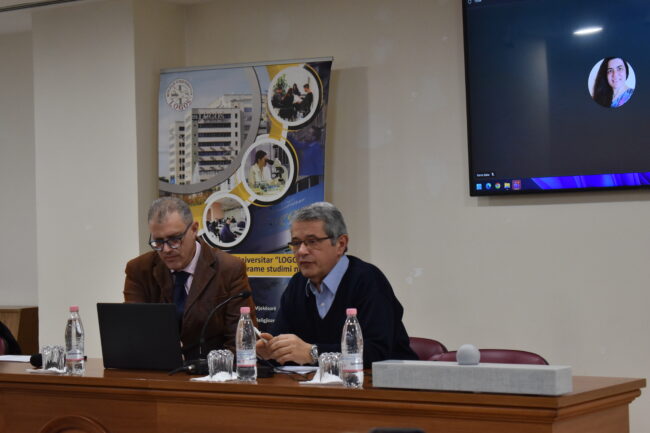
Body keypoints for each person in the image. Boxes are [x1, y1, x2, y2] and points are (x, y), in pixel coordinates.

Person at [256, 202, 417, 367]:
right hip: (316, 381)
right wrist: (269, 352)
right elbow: (283, 344)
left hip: (386, 381)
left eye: (312, 241)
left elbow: (377, 351)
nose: (302, 251)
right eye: (296, 243)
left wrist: (313, 353)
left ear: (341, 244)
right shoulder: (298, 284)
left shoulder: (368, 280)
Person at [124, 197, 256, 359]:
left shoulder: (229, 269)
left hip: (214, 370)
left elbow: (242, 343)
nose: (166, 249)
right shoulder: (139, 270)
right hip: (157, 369)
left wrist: (210, 368)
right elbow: (133, 335)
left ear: (194, 229)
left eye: (174, 239)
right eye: (158, 241)